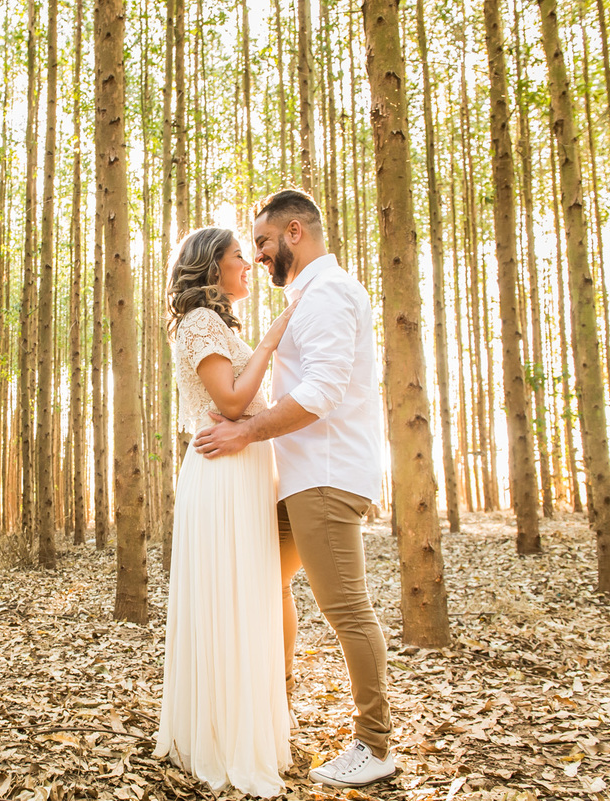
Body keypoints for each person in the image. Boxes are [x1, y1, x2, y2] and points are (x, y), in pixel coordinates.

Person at [193, 188, 396, 789]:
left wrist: (246, 432)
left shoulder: (330, 294)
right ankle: (273, 708)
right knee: (263, 584)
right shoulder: (306, 300)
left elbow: (322, 392)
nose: (256, 255)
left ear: (294, 234)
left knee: (345, 608)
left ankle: (374, 743)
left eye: (262, 242)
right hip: (298, 478)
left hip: (326, 477)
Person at [154, 226, 299, 796]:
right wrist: (270, 341)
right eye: (240, 256)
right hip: (222, 474)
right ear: (212, 266)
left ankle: (241, 720)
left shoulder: (216, 325)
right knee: (230, 597)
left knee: (248, 597)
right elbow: (232, 402)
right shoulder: (200, 323)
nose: (249, 265)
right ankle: (222, 735)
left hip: (243, 471)